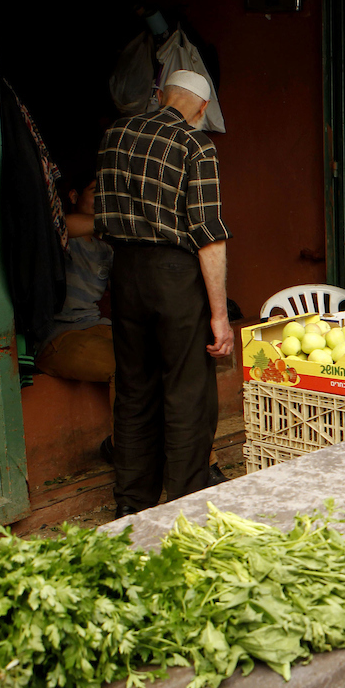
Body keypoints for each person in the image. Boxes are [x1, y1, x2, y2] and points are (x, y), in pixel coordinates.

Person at [96, 69, 233, 518]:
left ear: (159, 95)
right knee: (188, 390)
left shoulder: (115, 134)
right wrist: (219, 315)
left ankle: (131, 504)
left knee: (134, 388)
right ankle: (184, 503)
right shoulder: (196, 145)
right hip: (175, 274)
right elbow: (208, 235)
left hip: (125, 272)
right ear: (201, 108)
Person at [34, 180, 115, 456]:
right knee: (127, 365)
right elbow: (62, 226)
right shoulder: (59, 234)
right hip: (60, 336)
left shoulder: (105, 248)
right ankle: (125, 449)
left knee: (153, 355)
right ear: (73, 195)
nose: (102, 199)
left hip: (97, 325)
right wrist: (119, 220)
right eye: (95, 191)